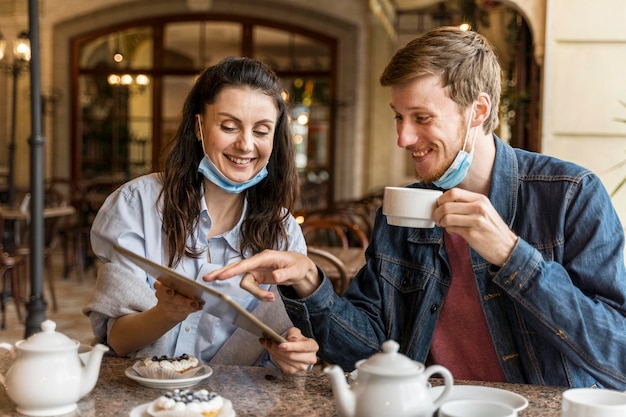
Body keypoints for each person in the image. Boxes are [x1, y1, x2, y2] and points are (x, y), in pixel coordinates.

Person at [205, 27, 626, 389]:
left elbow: (618, 354)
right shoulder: (402, 211)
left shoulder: (569, 194)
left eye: (422, 118)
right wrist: (310, 280)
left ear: (477, 111)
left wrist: (512, 256)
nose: (404, 139)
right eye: (398, 117)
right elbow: (367, 351)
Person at [83, 56, 318, 374]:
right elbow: (120, 342)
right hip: (144, 396)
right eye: (229, 126)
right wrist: (166, 313)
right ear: (198, 126)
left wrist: (290, 353)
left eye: (262, 131)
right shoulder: (137, 204)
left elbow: (285, 343)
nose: (245, 144)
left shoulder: (284, 232)